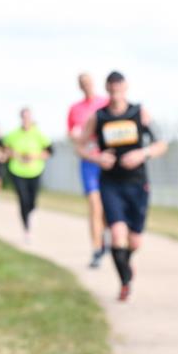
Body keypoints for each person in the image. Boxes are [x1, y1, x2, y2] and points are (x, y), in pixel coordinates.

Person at [77, 71, 168, 302]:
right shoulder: (98, 117)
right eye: (112, 88)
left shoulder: (139, 113)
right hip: (111, 183)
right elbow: (80, 146)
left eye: (120, 87)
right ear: (107, 89)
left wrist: (142, 153)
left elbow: (161, 144)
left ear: (126, 88)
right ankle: (125, 282)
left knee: (135, 240)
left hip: (137, 183)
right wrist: (97, 158)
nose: (116, 92)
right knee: (117, 234)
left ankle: (125, 261)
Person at [68, 73, 110, 268]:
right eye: (82, 83)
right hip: (89, 162)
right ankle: (96, 249)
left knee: (107, 206)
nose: (86, 86)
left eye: (89, 82)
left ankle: (108, 235)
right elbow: (73, 135)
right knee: (94, 205)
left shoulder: (106, 102)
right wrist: (79, 137)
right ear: (79, 86)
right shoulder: (75, 109)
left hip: (108, 161)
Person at [3, 108, 52, 241]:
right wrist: (16, 155)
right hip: (17, 171)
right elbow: (6, 150)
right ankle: (26, 229)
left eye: (28, 117)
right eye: (24, 117)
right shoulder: (13, 134)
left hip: (35, 171)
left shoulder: (39, 134)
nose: (26, 120)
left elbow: (49, 152)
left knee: (32, 202)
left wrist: (35, 156)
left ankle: (29, 215)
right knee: (23, 199)